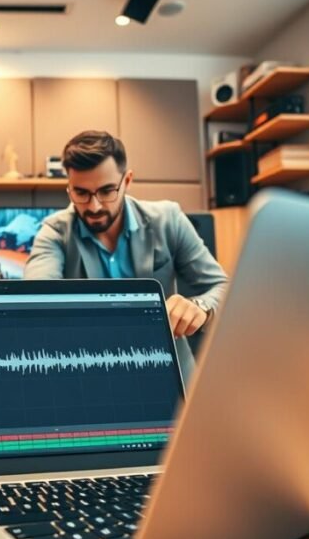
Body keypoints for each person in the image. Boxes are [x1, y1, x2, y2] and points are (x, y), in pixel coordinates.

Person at [25, 130, 229, 379]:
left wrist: (200, 307)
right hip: (89, 377)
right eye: (81, 193)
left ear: (128, 181)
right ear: (69, 187)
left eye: (107, 191)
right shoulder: (54, 232)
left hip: (171, 377)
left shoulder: (168, 220)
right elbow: (34, 305)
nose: (94, 206)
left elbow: (222, 287)